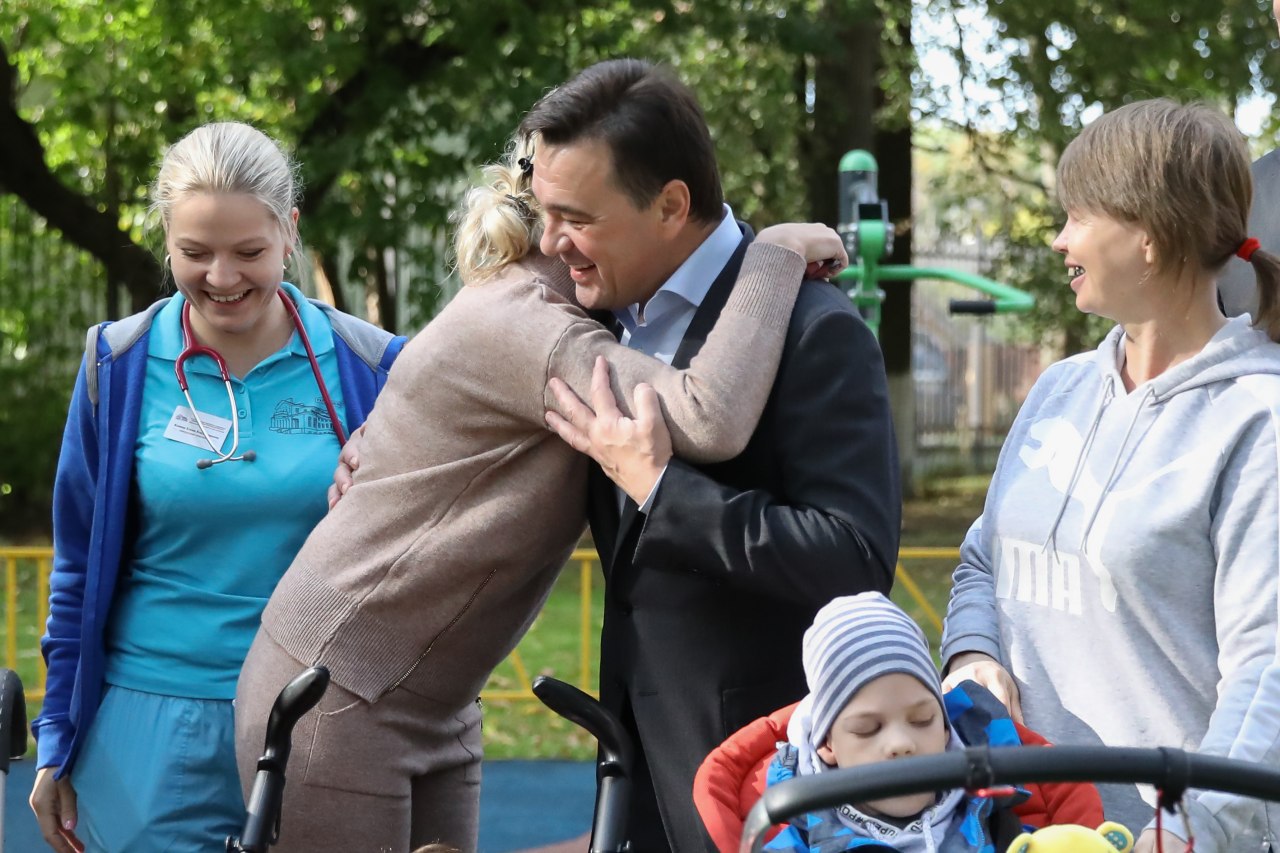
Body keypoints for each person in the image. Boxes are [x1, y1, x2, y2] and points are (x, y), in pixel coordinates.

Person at [233, 120, 849, 850]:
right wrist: (772, 255)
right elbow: (708, 416)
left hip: (432, 696)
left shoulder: (541, 308)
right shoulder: (537, 324)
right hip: (339, 687)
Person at [530, 59, 901, 851]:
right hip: (633, 775)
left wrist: (664, 491)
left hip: (762, 785)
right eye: (544, 212)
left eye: (575, 218)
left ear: (671, 205)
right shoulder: (593, 319)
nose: (550, 241)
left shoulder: (814, 328)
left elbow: (855, 558)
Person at [28, 121, 406, 853]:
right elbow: (76, 568)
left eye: (249, 252)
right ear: (167, 240)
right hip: (149, 728)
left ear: (289, 232)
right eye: (195, 252)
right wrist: (56, 738)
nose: (223, 278)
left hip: (319, 719)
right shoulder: (117, 363)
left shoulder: (371, 367)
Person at [940, 98, 1280, 853]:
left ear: (1148, 236)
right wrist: (972, 655)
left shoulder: (1260, 420)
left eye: (1077, 216)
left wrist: (1183, 834)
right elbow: (982, 561)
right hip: (1020, 829)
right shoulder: (1059, 388)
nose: (1059, 239)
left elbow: (1268, 677)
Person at [758, 593, 1101, 852]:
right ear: (826, 744)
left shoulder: (994, 814)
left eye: (922, 720)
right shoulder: (800, 839)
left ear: (946, 728)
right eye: (868, 729)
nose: (901, 743)